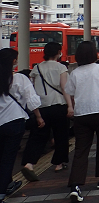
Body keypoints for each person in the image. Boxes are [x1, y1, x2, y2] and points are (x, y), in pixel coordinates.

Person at [65, 41, 99, 203]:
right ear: (94, 53)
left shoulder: (75, 73)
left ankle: (75, 186)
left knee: (81, 150)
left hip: (81, 114)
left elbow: (70, 92)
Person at [21, 42, 73, 181]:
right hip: (58, 105)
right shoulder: (61, 67)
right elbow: (64, 88)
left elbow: (32, 90)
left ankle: (29, 164)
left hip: (42, 107)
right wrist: (70, 106)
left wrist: (36, 111)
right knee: (61, 135)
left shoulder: (36, 68)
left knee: (38, 136)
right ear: (58, 52)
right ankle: (59, 164)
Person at [0, 48, 44, 203]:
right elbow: (31, 100)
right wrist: (38, 117)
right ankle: (1, 194)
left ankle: (8, 183)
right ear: (13, 61)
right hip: (14, 121)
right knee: (7, 159)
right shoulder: (19, 78)